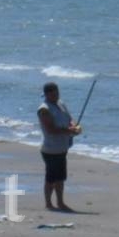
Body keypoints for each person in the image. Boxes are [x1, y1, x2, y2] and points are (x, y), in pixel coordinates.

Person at [37, 82, 81, 211]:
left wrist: (74, 127)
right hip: (50, 149)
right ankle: (48, 203)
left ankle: (60, 202)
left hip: (62, 147)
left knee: (61, 177)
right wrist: (69, 131)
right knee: (51, 177)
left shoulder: (61, 103)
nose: (56, 96)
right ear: (46, 94)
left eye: (57, 93)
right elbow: (51, 129)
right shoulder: (44, 109)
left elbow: (69, 119)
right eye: (53, 94)